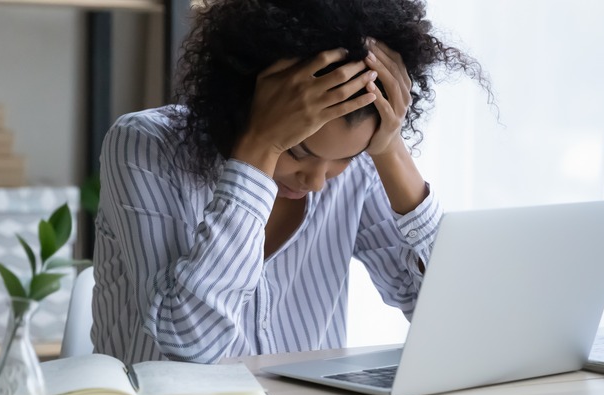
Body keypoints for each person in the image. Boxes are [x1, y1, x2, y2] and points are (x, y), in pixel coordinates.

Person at [91, 0, 492, 365]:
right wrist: (260, 149)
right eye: (298, 153)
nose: (318, 181)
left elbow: (457, 321)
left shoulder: (363, 166)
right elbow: (191, 344)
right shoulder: (147, 146)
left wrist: (390, 151)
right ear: (245, 104)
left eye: (344, 159)